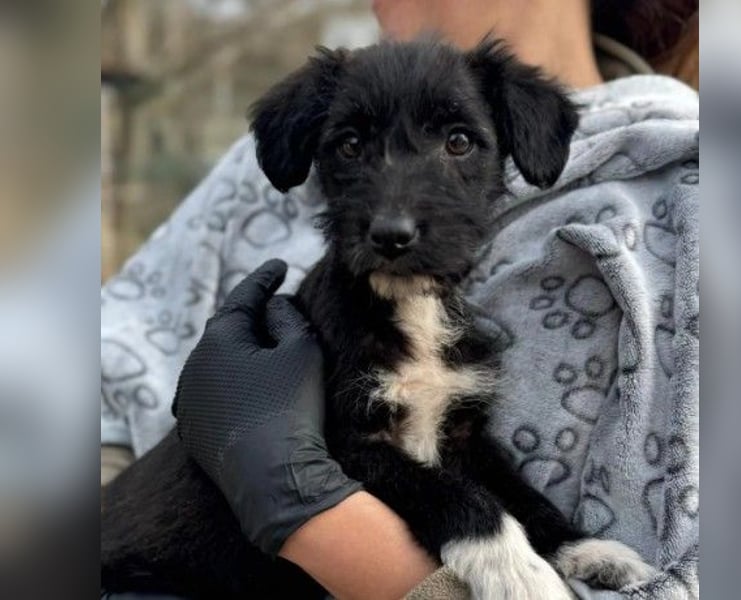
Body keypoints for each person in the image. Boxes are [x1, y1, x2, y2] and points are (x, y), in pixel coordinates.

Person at [101, 1, 699, 598]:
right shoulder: (303, 291)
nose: (394, 215)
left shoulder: (682, 198)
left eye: (457, 142)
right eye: (351, 146)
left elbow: (453, 455)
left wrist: (542, 541)